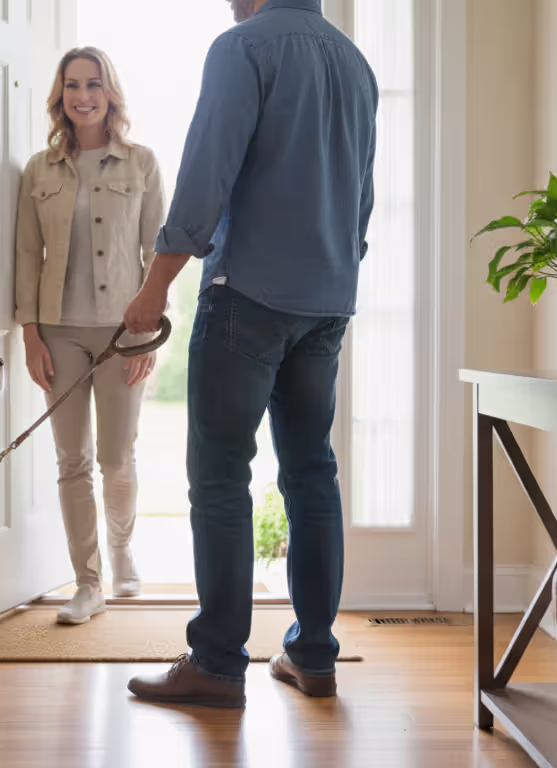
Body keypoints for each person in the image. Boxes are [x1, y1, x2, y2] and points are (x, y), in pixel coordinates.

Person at [123, 0, 378, 706]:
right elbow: (362, 200)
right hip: (327, 301)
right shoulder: (354, 63)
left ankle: (216, 665)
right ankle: (314, 657)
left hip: (248, 297)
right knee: (311, 471)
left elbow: (205, 176)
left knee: (220, 476)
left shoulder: (243, 48)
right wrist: (335, 273)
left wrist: (154, 288)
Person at [15, 47, 166, 625]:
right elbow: (27, 256)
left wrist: (149, 337)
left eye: (94, 85)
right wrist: (31, 335)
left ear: (110, 93)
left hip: (124, 331)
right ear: (61, 96)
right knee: (70, 460)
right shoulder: (39, 169)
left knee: (117, 456)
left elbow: (158, 250)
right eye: (73, 85)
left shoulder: (142, 163)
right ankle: (88, 581)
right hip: (59, 333)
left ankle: (123, 548)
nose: (83, 96)